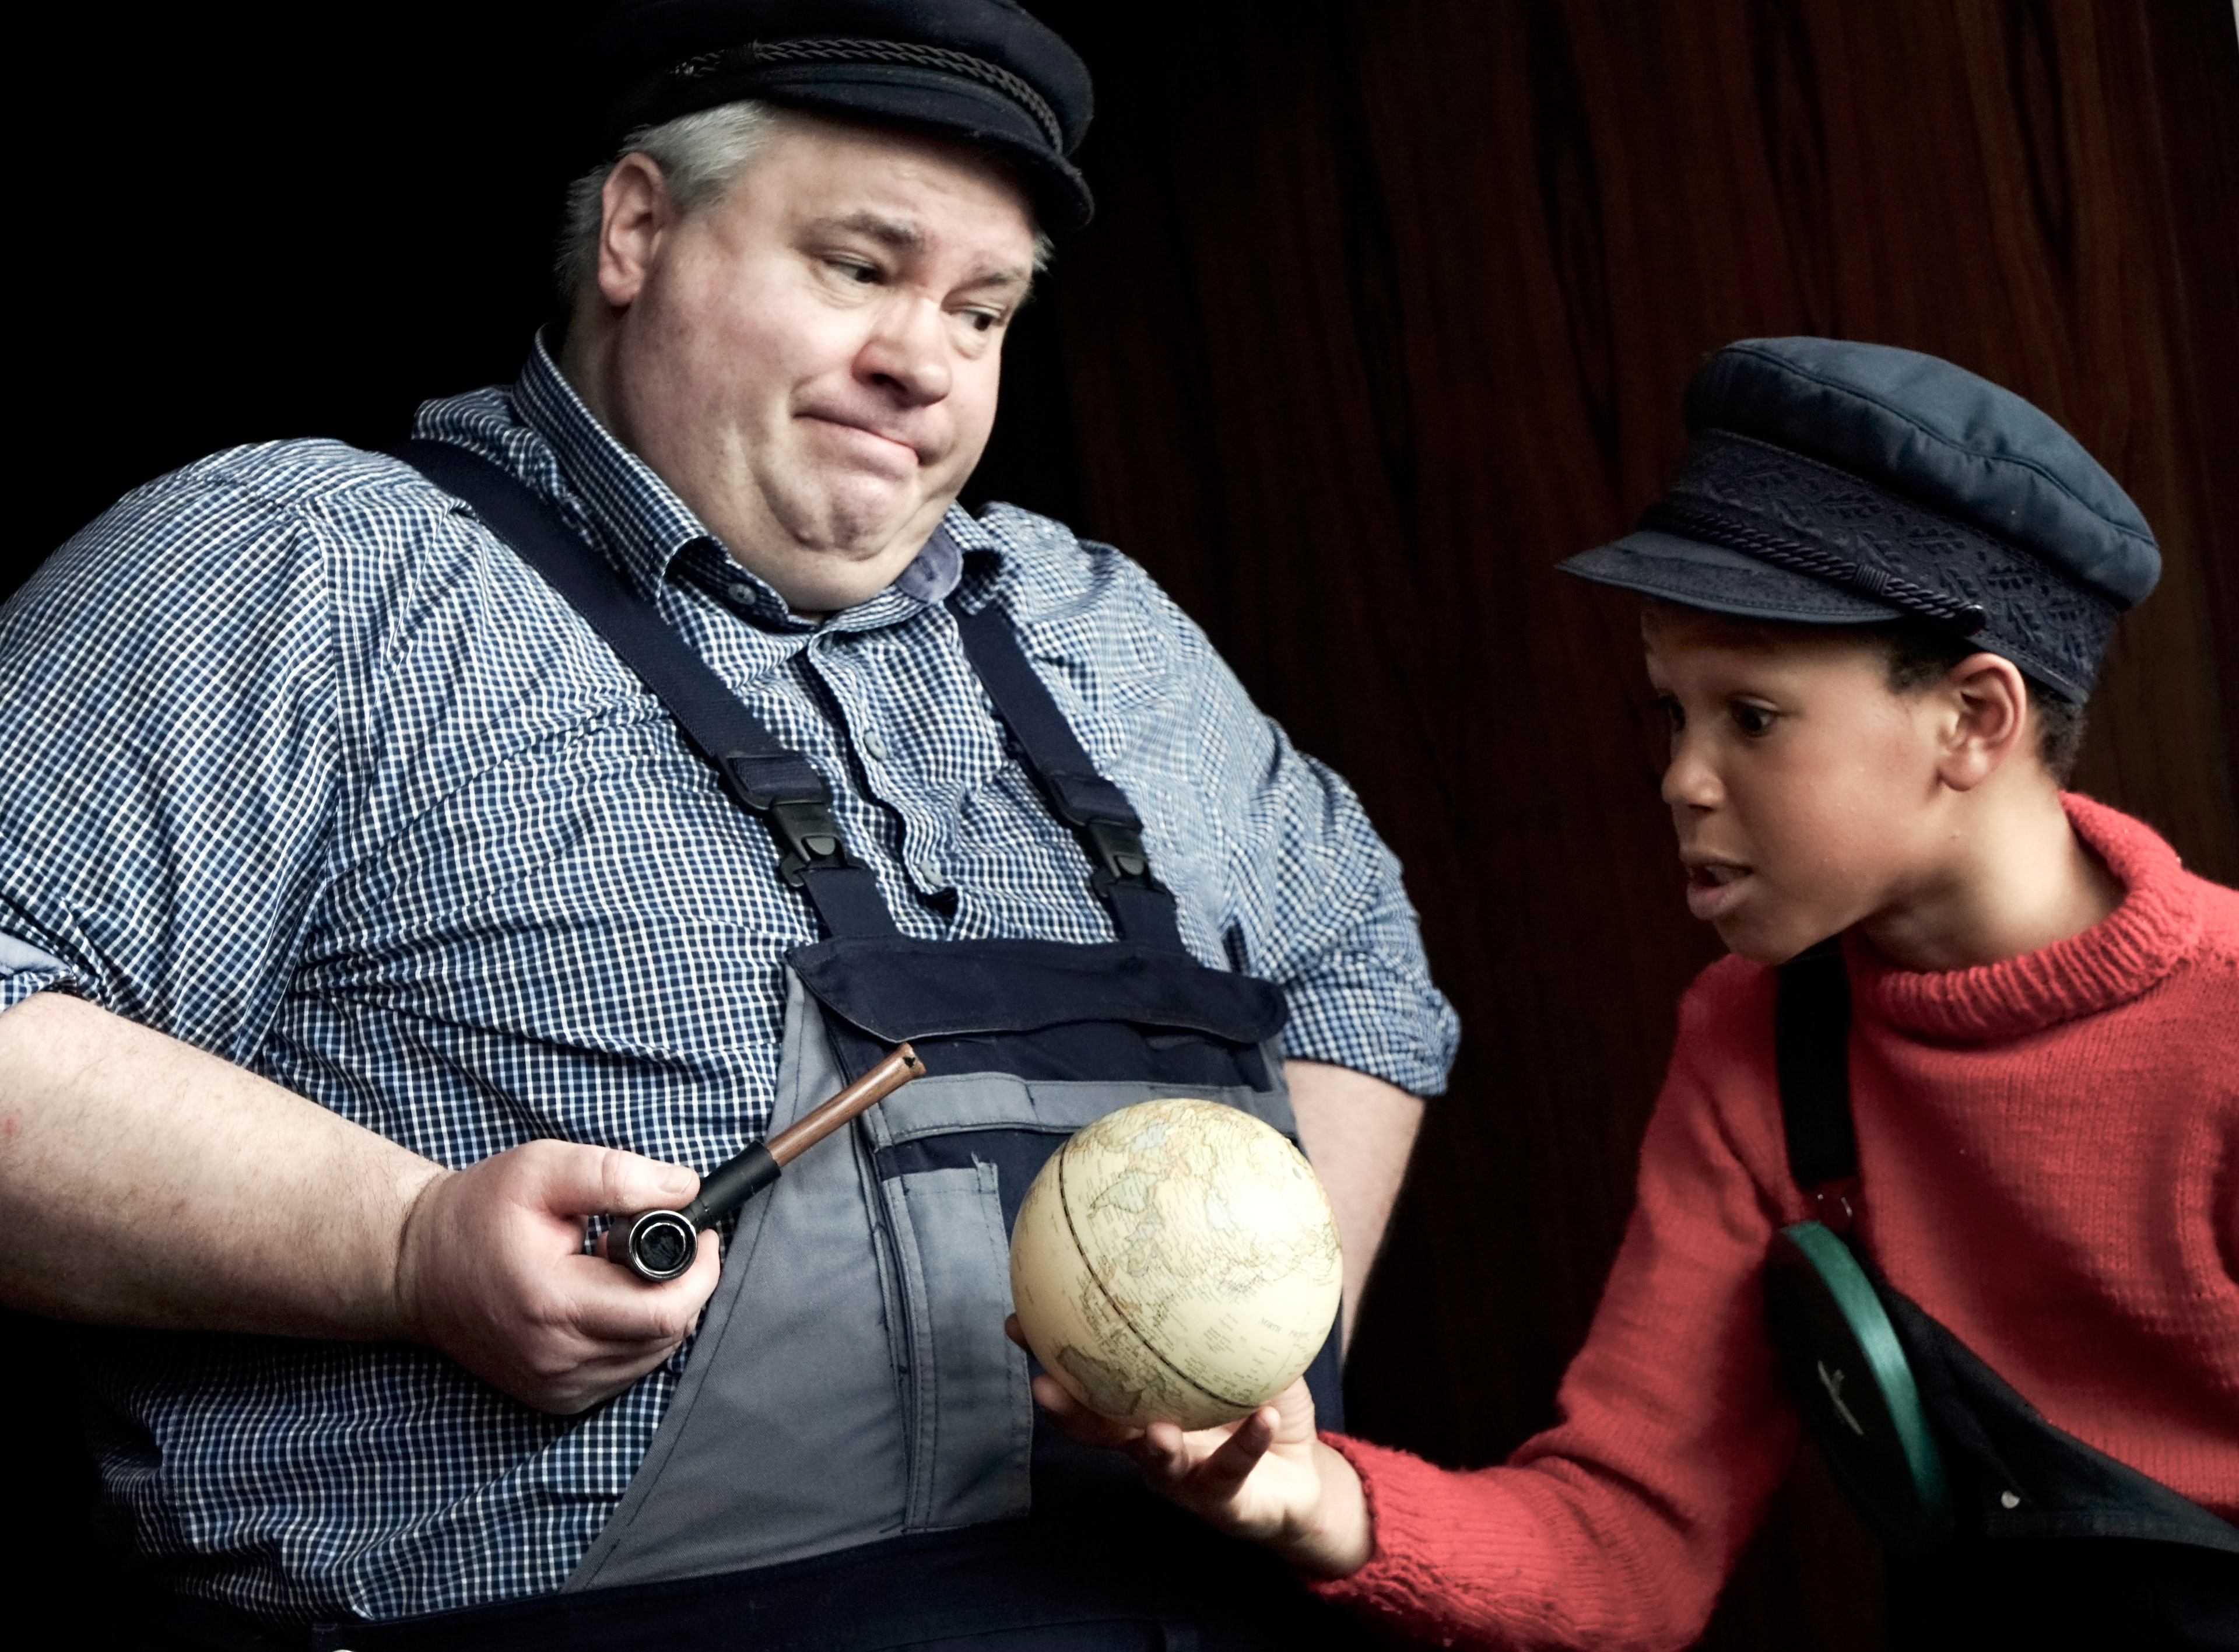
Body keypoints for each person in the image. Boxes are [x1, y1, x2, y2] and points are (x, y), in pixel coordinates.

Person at [0, 2, 1456, 1644]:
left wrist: (1238, 1325)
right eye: (858, 267)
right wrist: (404, 1245)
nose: (924, 360)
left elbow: (1359, 968)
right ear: (638, 229)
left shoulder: (1100, 631)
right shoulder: (311, 569)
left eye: (981, 312)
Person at [1031, 338, 2239, 1648]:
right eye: (1673, 712)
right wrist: (1313, 1498)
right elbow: (1632, 1543)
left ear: (1974, 720)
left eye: (1753, 716)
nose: (1684, 779)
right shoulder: (1762, 1038)